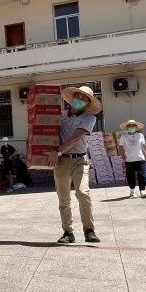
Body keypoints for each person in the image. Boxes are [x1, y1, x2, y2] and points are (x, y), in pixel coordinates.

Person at [54, 85, 102, 244]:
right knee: (64, 199)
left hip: (80, 160)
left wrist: (59, 151)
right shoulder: (60, 116)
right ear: (72, 98)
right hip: (60, 162)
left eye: (84, 99)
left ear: (88, 103)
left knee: (83, 193)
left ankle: (89, 230)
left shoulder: (89, 118)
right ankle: (68, 232)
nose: (79, 100)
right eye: (78, 97)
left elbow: (76, 137)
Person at [118, 120, 146, 198]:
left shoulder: (140, 135)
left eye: (133, 126)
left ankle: (142, 191)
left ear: (136, 127)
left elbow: (144, 145)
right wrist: (123, 155)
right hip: (129, 160)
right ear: (127, 127)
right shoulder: (123, 136)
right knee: (130, 176)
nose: (131, 127)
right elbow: (120, 146)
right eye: (130, 126)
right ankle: (132, 191)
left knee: (141, 175)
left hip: (140, 159)